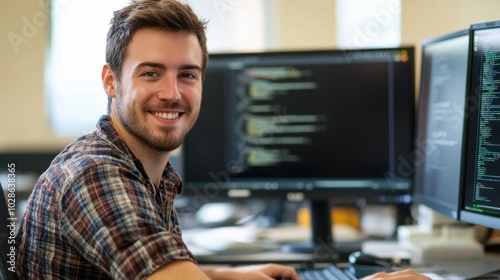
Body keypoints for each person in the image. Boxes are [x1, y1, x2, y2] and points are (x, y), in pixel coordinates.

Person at [15, 0, 432, 279]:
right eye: (150, 73)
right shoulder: (97, 176)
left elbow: (155, 267)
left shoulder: (141, 169)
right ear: (111, 81)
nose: (172, 93)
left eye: (188, 75)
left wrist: (233, 276)